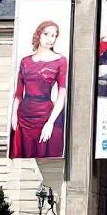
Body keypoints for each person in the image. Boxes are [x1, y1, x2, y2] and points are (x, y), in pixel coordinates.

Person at [10, 20, 68, 158]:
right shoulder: (25, 61)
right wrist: (13, 114)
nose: (50, 39)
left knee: (46, 157)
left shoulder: (60, 61)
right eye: (47, 34)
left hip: (45, 115)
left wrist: (50, 122)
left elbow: (62, 95)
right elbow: (18, 94)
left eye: (54, 35)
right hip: (24, 117)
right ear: (38, 35)